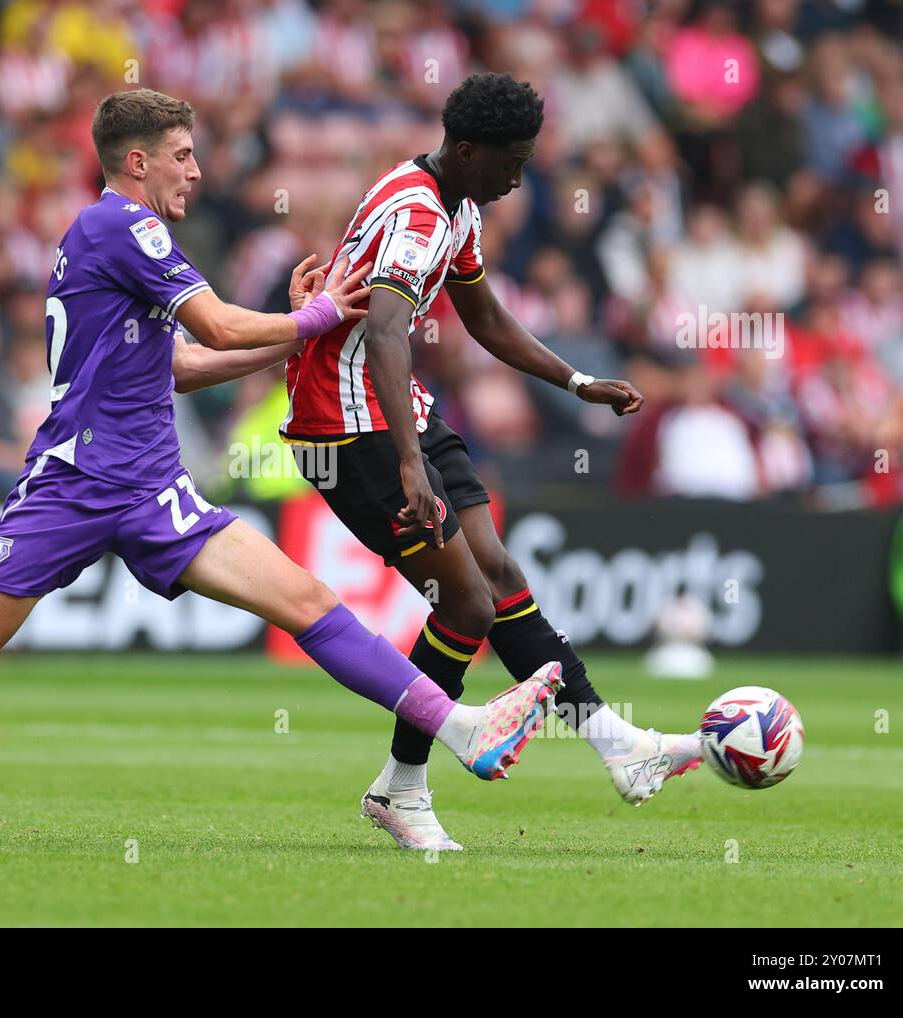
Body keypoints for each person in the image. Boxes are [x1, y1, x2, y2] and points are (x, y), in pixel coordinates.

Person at [0, 88, 564, 842]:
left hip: (154, 488)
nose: (196, 172)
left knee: (307, 601)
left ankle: (459, 731)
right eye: (183, 156)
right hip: (76, 481)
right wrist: (305, 321)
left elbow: (180, 365)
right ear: (138, 161)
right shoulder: (119, 225)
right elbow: (221, 331)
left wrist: (285, 329)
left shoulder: (120, 237)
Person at [281, 73, 702, 852]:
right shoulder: (413, 212)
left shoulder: (459, 203)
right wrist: (410, 466)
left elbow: (483, 316)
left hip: (396, 410)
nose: (519, 179)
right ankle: (400, 788)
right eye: (511, 162)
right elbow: (385, 329)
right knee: (466, 606)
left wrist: (575, 381)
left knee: (498, 575)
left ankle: (616, 743)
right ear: (468, 150)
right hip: (344, 426)